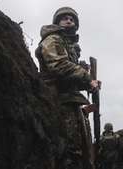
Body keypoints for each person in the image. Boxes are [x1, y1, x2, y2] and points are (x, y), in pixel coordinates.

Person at [35, 7, 100, 169]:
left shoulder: (70, 45)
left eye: (72, 18)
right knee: (69, 150)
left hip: (71, 100)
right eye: (64, 18)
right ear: (57, 22)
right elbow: (58, 65)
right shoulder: (53, 39)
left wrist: (89, 84)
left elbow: (70, 77)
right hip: (56, 99)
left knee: (82, 149)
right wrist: (86, 77)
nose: (69, 20)